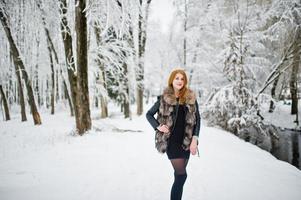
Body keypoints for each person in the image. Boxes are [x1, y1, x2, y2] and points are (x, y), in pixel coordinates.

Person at [146, 68, 201, 200]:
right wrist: (158, 126)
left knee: (179, 176)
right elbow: (149, 114)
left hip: (186, 142)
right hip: (171, 142)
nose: (180, 81)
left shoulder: (190, 98)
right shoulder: (164, 98)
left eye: (182, 79)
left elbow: (198, 119)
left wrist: (195, 138)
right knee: (182, 175)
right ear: (172, 80)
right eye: (177, 78)